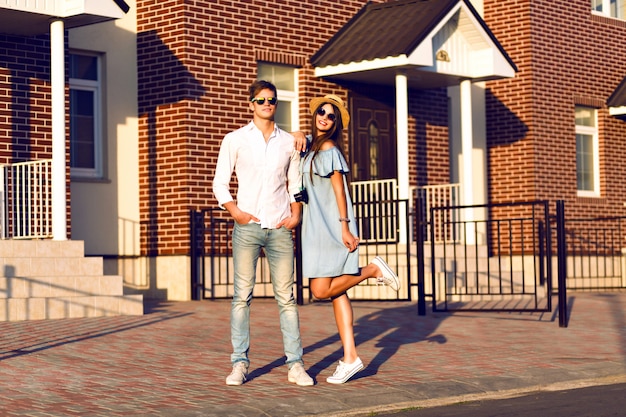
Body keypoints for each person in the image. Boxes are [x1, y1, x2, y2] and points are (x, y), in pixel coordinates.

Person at [212, 80, 313, 387]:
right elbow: (219, 181)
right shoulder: (235, 139)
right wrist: (235, 212)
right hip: (247, 227)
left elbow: (295, 181)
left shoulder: (288, 141)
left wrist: (296, 213)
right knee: (242, 298)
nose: (267, 104)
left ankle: (295, 365)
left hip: (281, 228)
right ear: (251, 104)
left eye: (272, 100)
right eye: (261, 100)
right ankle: (239, 363)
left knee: (287, 299)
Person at [298, 94, 400, 384]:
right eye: (322, 112)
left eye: (331, 116)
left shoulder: (328, 148)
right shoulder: (309, 146)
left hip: (332, 227)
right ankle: (351, 357)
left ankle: (372, 270)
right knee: (336, 291)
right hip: (316, 229)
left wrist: (345, 227)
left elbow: (340, 191)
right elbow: (294, 140)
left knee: (320, 291)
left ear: (335, 124)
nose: (325, 118)